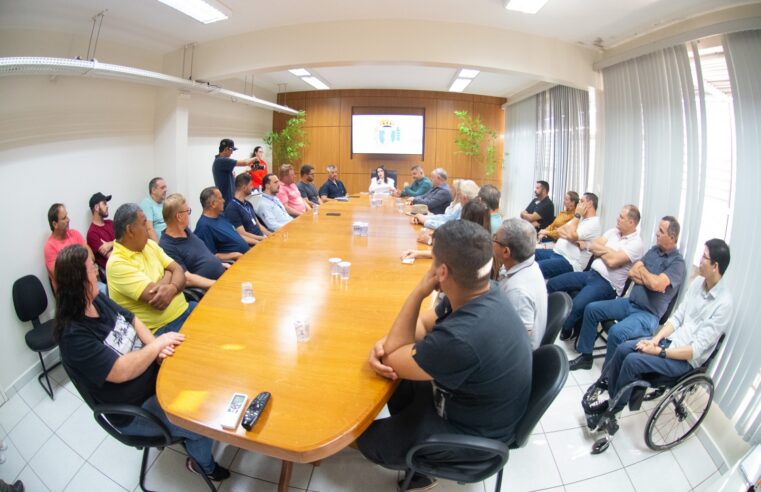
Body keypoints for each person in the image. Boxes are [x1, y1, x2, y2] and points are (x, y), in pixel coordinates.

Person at [358, 220, 532, 491]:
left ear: (441, 272)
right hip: (478, 406)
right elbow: (425, 325)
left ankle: (425, 469)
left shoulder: (460, 338)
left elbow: (393, 355)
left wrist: (418, 292)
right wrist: (387, 343)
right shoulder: (483, 291)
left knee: (367, 441)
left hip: (471, 436)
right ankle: (409, 429)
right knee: (397, 377)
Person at [54, 244, 230, 482]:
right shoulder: (73, 336)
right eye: (91, 268)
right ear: (78, 280)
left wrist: (156, 346)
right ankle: (203, 466)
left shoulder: (96, 301)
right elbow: (120, 371)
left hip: (154, 372)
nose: (97, 271)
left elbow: (131, 317)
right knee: (201, 420)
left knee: (205, 370)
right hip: (136, 408)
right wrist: (156, 347)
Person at [585, 239, 732, 428]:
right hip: (669, 342)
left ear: (715, 266)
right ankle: (613, 400)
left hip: (684, 360)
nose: (700, 260)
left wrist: (659, 352)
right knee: (623, 349)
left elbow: (695, 351)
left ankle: (613, 411)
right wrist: (655, 340)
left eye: (704, 257)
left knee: (632, 361)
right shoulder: (698, 285)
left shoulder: (723, 304)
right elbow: (677, 318)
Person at [570, 216, 686, 370]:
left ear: (672, 237)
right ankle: (586, 357)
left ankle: (607, 376)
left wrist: (644, 274)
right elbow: (632, 272)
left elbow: (656, 284)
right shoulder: (653, 251)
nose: (657, 233)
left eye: (661, 231)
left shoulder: (677, 264)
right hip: (630, 303)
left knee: (617, 333)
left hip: (647, 315)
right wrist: (649, 279)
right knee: (592, 309)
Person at [547, 205, 645, 341]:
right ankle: (546, 317)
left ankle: (565, 330)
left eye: (621, 217)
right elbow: (593, 246)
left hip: (606, 284)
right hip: (590, 274)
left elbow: (613, 262)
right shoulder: (613, 232)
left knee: (576, 306)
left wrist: (603, 250)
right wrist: (610, 252)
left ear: (631, 222)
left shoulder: (636, 243)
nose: (617, 219)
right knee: (553, 283)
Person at [107, 203, 193, 335]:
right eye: (143, 223)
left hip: (186, 308)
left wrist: (172, 287)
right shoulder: (117, 264)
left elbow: (179, 270)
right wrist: (169, 272)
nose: (148, 227)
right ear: (130, 230)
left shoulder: (149, 245)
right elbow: (157, 297)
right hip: (165, 329)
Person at [492, 218, 548, 349]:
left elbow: (515, 343)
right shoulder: (529, 265)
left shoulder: (517, 292)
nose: (492, 241)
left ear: (506, 252)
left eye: (495, 239)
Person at [160, 193, 228, 290]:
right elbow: (186, 278)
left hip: (222, 276)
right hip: (210, 289)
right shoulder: (166, 246)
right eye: (188, 211)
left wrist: (220, 264)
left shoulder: (185, 231)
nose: (189, 214)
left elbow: (202, 255)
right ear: (179, 216)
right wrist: (217, 284)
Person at [535, 192, 601, 279]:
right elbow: (560, 230)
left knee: (535, 269)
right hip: (556, 252)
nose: (579, 204)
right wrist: (572, 237)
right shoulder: (580, 219)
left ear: (590, 204)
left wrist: (577, 216)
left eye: (581, 201)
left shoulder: (593, 223)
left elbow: (570, 235)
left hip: (569, 261)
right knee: (528, 254)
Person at [401, 200, 491, 261]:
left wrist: (427, 244)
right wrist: (418, 253)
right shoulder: (484, 236)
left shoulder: (474, 240)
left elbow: (450, 253)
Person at [414, 180, 479, 246]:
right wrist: (425, 218)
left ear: (464, 197)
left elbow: (456, 233)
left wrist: (430, 240)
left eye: (459, 193)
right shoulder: (462, 206)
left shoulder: (473, 212)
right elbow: (448, 218)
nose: (451, 191)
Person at [194, 187, 250, 258]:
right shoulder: (203, 227)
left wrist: (257, 242)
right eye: (220, 198)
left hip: (247, 255)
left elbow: (236, 236)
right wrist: (235, 255)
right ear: (213, 204)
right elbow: (211, 256)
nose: (223, 200)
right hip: (235, 263)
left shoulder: (221, 216)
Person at [44, 203, 86, 288]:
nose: (68, 220)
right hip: (69, 293)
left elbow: (90, 256)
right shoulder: (49, 247)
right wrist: (82, 262)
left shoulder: (75, 233)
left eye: (67, 216)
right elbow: (61, 276)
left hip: (86, 284)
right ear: (55, 224)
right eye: (64, 218)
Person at [224, 172, 270, 246]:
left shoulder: (248, 204)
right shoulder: (232, 208)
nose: (253, 187)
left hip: (262, 239)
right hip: (253, 244)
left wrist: (271, 235)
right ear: (244, 187)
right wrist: (261, 238)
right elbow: (242, 234)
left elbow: (259, 225)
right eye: (251, 185)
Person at [212, 138, 256, 206]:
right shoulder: (221, 161)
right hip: (226, 200)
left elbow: (234, 179)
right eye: (232, 150)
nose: (232, 153)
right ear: (226, 149)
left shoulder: (221, 162)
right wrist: (256, 158)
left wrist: (249, 171)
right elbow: (245, 162)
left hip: (230, 198)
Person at [87, 192, 115, 273]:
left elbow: (127, 239)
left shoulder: (110, 223)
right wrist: (119, 242)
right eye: (104, 204)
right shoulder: (92, 233)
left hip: (126, 262)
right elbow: (112, 256)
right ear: (96, 207)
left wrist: (111, 244)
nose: (107, 206)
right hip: (112, 271)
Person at [140, 177, 168, 241]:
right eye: (162, 188)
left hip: (171, 240)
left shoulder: (165, 203)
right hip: (160, 244)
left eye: (165, 187)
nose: (166, 190)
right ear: (153, 190)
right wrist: (158, 249)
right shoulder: (147, 203)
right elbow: (149, 228)